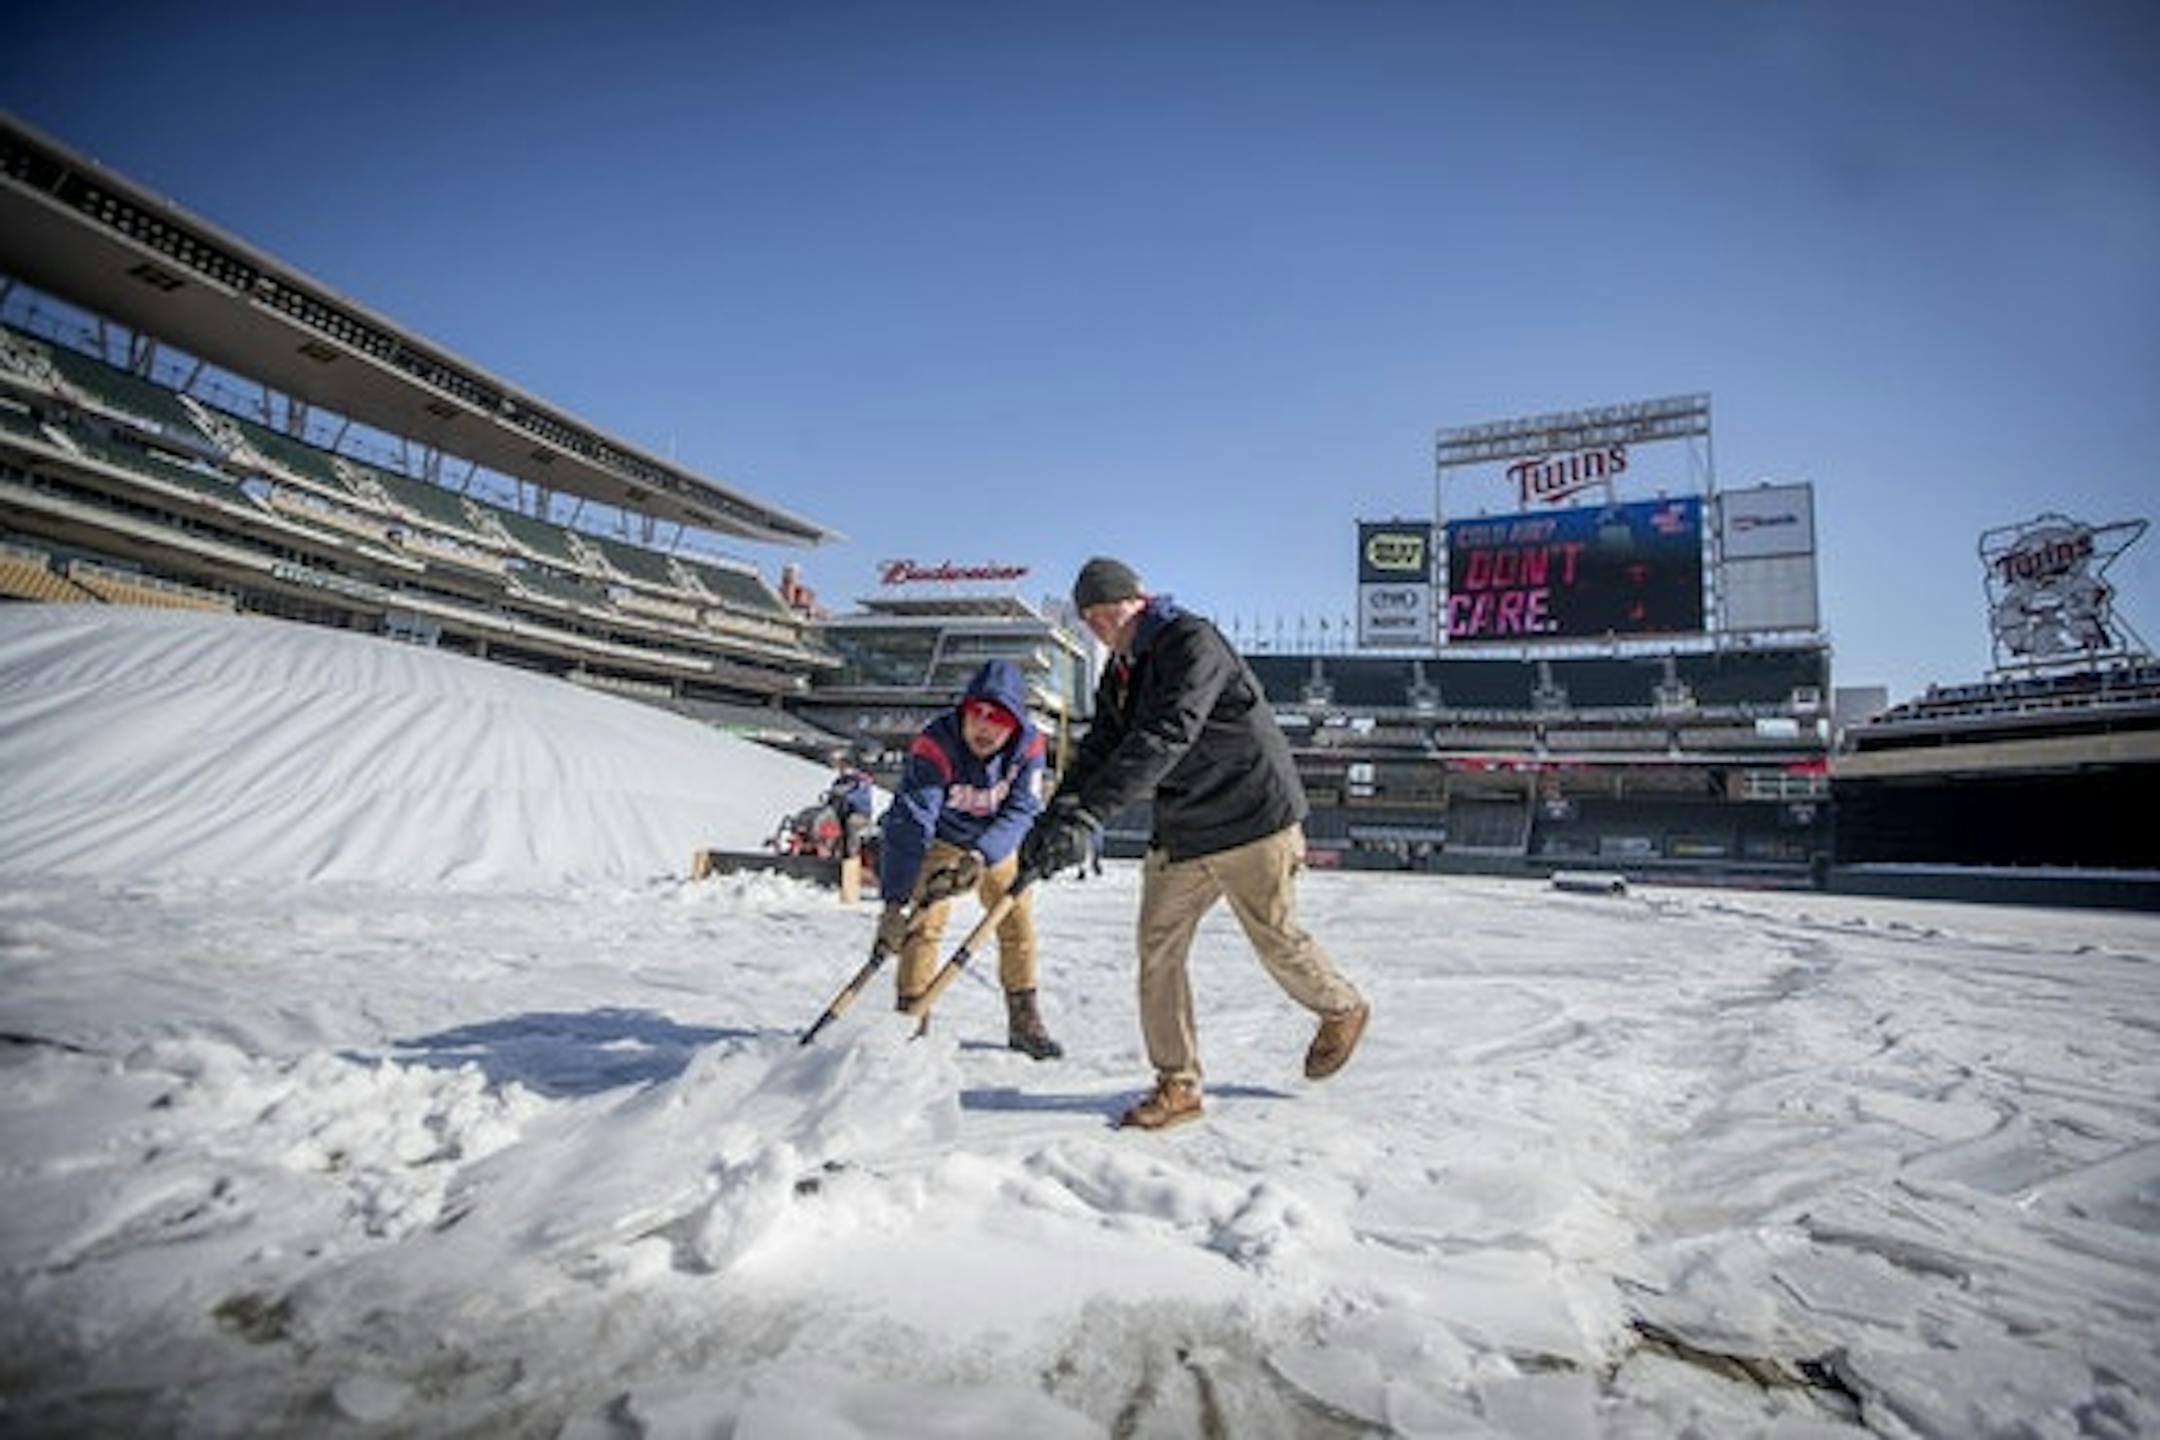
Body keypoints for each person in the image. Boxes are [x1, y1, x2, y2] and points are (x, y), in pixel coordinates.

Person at [1021, 557, 1368, 1129]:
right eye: (1094, 619)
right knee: (1158, 950)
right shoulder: (1122, 670)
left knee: (1276, 939)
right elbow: (1102, 745)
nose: (1105, 626)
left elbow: (1166, 734)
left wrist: (1093, 817)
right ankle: (1177, 1084)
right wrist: (1061, 812)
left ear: (1140, 600)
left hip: (1252, 815)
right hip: (1186, 828)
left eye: (1112, 612)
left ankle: (1342, 1008)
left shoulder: (1192, 641)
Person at [877, 658, 1063, 1060]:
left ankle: (1024, 1017)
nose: (984, 727)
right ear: (963, 712)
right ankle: (911, 1013)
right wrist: (894, 902)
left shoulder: (1029, 745)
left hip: (995, 841)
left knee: (1015, 921)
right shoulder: (936, 743)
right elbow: (910, 821)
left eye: (997, 719)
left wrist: (983, 855)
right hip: (942, 838)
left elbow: (1021, 810)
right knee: (923, 924)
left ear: (1014, 723)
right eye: (977, 714)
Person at [823, 748, 876, 860]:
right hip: (840, 813)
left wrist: (847, 797)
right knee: (828, 822)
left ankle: (852, 856)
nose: (841, 769)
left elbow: (862, 799)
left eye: (843, 765)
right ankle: (829, 852)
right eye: (840, 766)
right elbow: (831, 798)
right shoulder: (839, 781)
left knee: (852, 823)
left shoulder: (861, 781)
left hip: (860, 814)